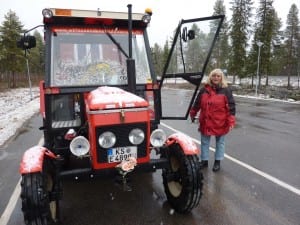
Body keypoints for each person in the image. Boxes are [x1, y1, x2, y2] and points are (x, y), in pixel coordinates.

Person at [189, 68, 236, 172]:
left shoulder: (226, 90)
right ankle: (204, 161)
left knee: (220, 142)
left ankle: (217, 162)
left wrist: (231, 120)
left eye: (218, 76)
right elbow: (197, 103)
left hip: (221, 121)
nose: (216, 78)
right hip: (206, 121)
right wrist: (193, 113)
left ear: (221, 78)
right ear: (210, 77)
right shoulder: (203, 90)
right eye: (214, 75)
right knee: (204, 142)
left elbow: (231, 107)